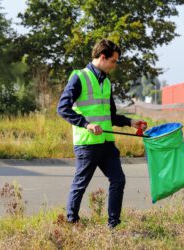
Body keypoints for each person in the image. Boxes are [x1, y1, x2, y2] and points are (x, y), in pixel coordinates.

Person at [57, 39, 147, 228]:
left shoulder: (106, 82)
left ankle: (113, 225)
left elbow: (111, 115)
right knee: (80, 184)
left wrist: (130, 122)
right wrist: (86, 124)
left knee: (118, 180)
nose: (115, 65)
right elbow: (62, 108)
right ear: (103, 57)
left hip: (106, 143)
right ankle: (71, 222)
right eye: (114, 61)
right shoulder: (79, 77)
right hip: (87, 143)